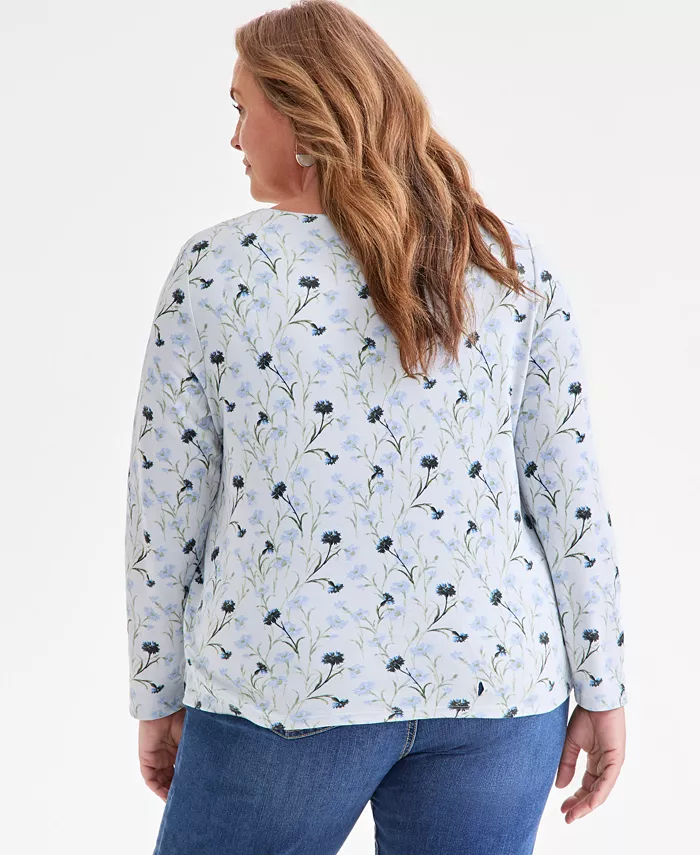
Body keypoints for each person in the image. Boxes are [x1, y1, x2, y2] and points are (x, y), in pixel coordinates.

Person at [124, 2, 627, 853]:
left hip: (281, 686)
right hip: (497, 689)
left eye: (243, 108)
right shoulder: (507, 262)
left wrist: (156, 691)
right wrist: (603, 682)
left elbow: (164, 510)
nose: (234, 136)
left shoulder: (216, 270)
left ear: (304, 116)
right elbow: (569, 493)